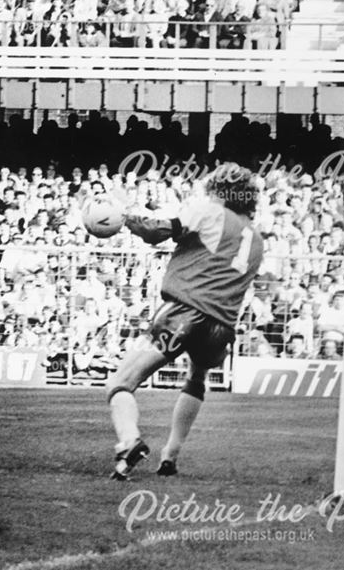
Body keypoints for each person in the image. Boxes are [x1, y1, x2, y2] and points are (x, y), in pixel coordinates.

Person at [101, 163, 264, 480]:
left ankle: (129, 441)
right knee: (196, 377)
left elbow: (159, 230)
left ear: (219, 191)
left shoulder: (210, 212)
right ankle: (170, 456)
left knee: (120, 383)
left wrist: (127, 220)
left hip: (184, 313)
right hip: (221, 329)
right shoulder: (257, 240)